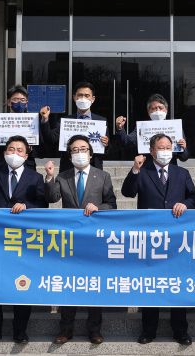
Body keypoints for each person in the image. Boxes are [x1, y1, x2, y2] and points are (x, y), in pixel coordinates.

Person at [121, 133, 195, 346]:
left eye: (168, 147)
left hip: (176, 237)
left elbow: (194, 197)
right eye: (160, 147)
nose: (165, 151)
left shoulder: (181, 173)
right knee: (150, 283)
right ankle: (149, 330)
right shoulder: (143, 171)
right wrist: (135, 170)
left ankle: (180, 330)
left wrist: (186, 204)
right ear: (151, 151)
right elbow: (127, 192)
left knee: (177, 283)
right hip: (150, 237)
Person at [0, 135, 48, 344]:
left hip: (21, 239)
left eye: (19, 150)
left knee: (22, 283)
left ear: (26, 154)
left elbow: (43, 204)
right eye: (11, 149)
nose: (15, 153)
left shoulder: (35, 177)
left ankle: (20, 331)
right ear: (5, 152)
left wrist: (27, 206)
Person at [43, 135, 117, 345]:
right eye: (75, 150)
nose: (79, 153)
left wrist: (98, 207)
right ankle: (66, 330)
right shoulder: (63, 176)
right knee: (69, 284)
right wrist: (49, 177)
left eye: (83, 149)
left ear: (91, 154)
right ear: (70, 155)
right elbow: (52, 198)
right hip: (70, 239)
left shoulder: (103, 176)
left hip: (94, 240)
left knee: (94, 284)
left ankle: (94, 330)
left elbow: (112, 204)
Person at [39, 81, 109, 172]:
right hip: (69, 168)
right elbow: (51, 138)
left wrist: (106, 144)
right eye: (80, 95)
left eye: (87, 96)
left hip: (94, 168)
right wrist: (45, 120)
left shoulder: (101, 121)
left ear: (93, 99)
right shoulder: (65, 121)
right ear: (74, 98)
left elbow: (107, 150)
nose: (83, 98)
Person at [115, 93, 189, 165]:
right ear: (148, 111)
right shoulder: (142, 127)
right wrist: (120, 128)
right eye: (154, 108)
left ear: (166, 110)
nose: (157, 111)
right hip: (148, 168)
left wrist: (183, 148)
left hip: (170, 168)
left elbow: (184, 157)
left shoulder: (175, 127)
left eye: (160, 108)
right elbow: (126, 142)